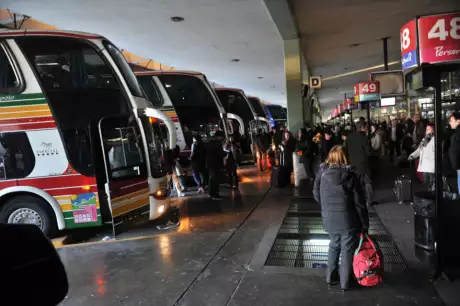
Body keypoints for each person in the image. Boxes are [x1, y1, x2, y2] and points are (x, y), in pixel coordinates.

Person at [313, 145, 369, 291]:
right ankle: (345, 283)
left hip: (329, 219)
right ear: (345, 157)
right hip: (348, 221)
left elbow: (316, 194)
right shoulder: (351, 176)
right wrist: (364, 224)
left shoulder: (322, 173)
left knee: (333, 245)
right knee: (347, 250)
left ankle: (330, 278)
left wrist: (327, 206)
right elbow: (360, 204)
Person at [408, 123, 435, 190]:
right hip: (425, 166)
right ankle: (429, 197)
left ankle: (433, 198)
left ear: (433, 130)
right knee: (426, 184)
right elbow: (419, 150)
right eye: (426, 129)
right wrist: (412, 156)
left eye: (428, 129)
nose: (426, 131)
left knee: (432, 184)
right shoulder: (425, 139)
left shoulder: (435, 140)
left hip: (432, 167)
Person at [206, 131, 225, 200]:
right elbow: (220, 153)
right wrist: (226, 153)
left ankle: (210, 193)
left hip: (209, 164)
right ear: (219, 137)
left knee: (211, 178)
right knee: (215, 179)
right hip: (215, 164)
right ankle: (215, 194)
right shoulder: (217, 143)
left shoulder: (210, 143)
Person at [449, 112, 460, 193]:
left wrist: (456, 166)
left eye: (452, 120)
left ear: (458, 121)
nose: (450, 122)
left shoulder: (457, 134)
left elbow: (455, 151)